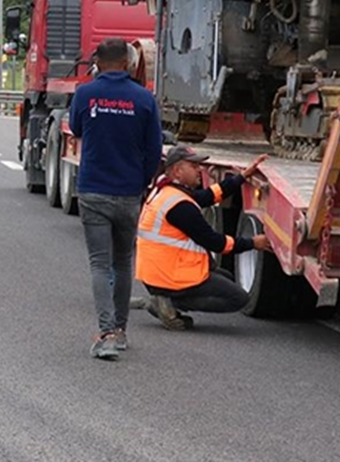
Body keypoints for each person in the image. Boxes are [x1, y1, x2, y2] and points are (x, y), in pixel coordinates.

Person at [69, 38, 164, 360]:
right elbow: (154, 149)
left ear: (98, 61)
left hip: (94, 188)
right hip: (128, 192)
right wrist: (142, 182)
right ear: (127, 62)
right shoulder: (145, 99)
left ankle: (106, 331)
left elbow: (75, 127)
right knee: (123, 262)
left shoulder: (85, 93)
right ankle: (120, 331)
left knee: (99, 263)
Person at [136, 146, 271, 330]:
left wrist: (241, 177)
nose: (199, 169)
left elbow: (206, 196)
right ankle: (168, 303)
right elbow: (216, 243)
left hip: (157, 272)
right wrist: (253, 243)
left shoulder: (166, 190)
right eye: (193, 166)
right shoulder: (180, 206)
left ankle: (166, 299)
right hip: (168, 276)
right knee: (239, 298)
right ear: (177, 170)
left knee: (226, 277)